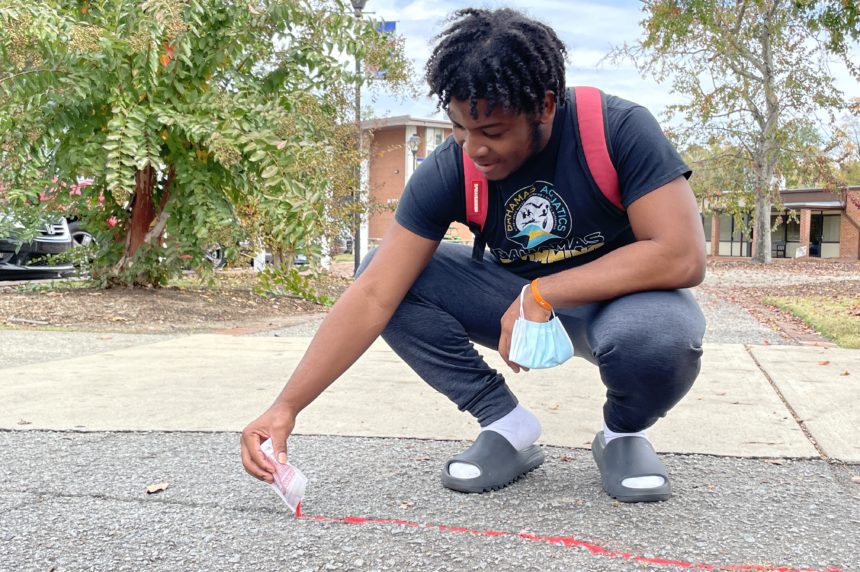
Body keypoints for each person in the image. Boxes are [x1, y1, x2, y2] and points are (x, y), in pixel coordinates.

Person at [241, 8, 706, 503]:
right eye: (461, 128)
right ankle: (507, 426)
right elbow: (374, 294)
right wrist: (286, 407)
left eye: (494, 132)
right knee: (381, 270)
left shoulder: (618, 129)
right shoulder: (452, 167)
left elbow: (680, 255)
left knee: (662, 338)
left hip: (620, 305)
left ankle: (622, 434)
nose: (474, 148)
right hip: (509, 303)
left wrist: (545, 290)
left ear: (545, 106)